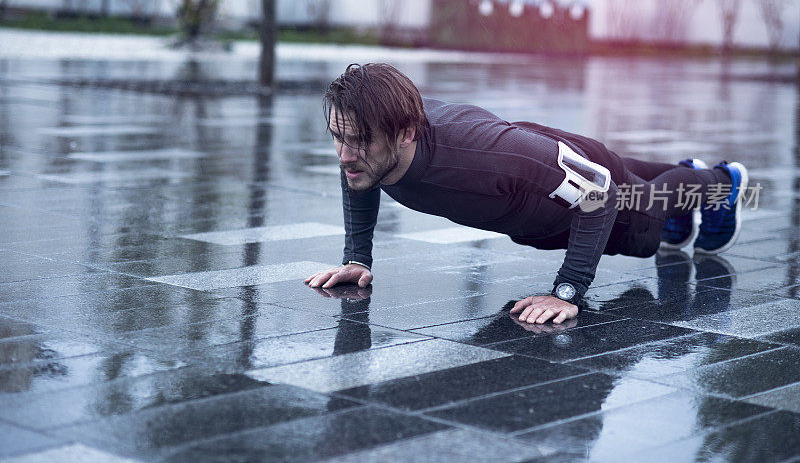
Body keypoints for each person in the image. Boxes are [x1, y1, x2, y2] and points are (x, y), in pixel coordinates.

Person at [304, 63, 749, 324]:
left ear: (403, 133)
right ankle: (686, 177)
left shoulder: (481, 152)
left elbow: (598, 189)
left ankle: (721, 184)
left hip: (578, 185)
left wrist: (568, 291)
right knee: (640, 197)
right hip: (539, 185)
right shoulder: (371, 146)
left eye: (357, 140)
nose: (344, 155)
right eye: (337, 137)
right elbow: (359, 176)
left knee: (643, 225)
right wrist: (356, 257)